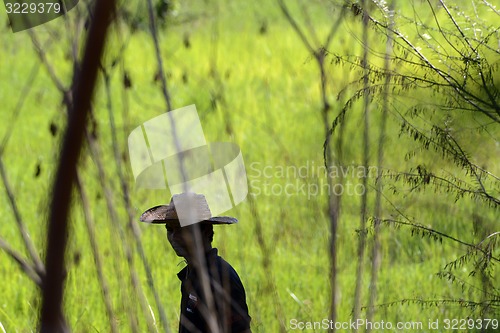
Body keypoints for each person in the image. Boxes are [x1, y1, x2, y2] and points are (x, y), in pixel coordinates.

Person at [140, 193, 252, 333]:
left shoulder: (220, 278)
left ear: (205, 231)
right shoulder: (192, 274)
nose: (174, 237)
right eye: (170, 230)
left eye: (182, 229)